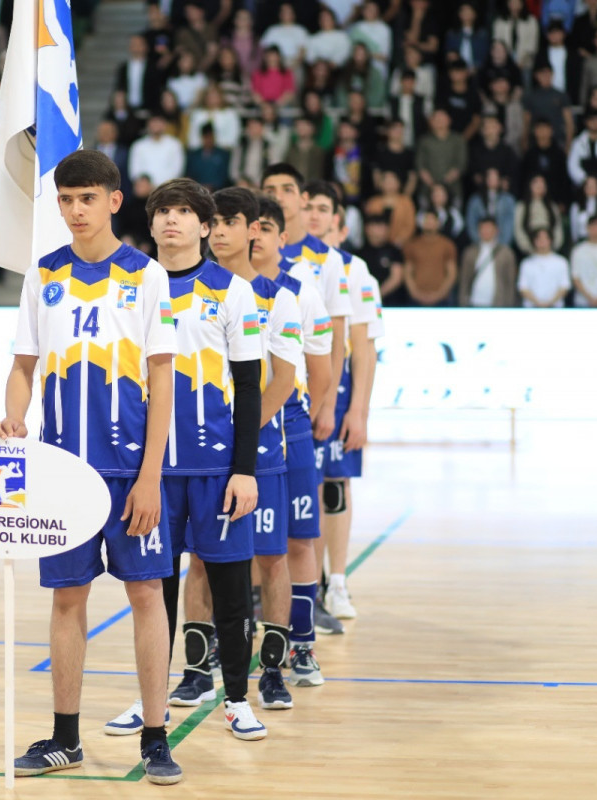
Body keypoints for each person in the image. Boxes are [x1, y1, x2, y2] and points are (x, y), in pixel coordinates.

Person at [0, 150, 182, 785]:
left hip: (130, 472)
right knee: (67, 598)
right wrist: (14, 419)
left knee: (147, 593)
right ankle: (65, 737)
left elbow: (163, 378)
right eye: (67, 200)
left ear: (114, 201)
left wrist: (153, 474)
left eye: (88, 199)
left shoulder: (147, 276)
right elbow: (23, 367)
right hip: (60, 471)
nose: (76, 211)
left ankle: (156, 736)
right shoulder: (42, 275)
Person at [105, 180, 266, 736]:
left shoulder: (232, 292)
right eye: (163, 212)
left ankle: (238, 699)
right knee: (153, 591)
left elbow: (249, 387)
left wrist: (244, 469)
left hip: (214, 469)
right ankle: (150, 701)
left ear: (205, 226)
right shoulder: (126, 286)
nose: (172, 220)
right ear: (149, 225)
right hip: (147, 471)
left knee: (228, 588)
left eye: (185, 212)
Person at [260, 163, 352, 637]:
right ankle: (264, 601)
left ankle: (314, 596)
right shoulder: (243, 258)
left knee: (308, 501)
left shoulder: (321, 262)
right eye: (269, 189)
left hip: (301, 400)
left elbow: (335, 338)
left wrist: (329, 401)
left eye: (287, 190)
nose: (279, 195)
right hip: (252, 410)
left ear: (299, 200)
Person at [250, 193, 332, 687]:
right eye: (248, 226)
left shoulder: (301, 291)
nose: (254, 235)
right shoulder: (220, 288)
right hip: (232, 428)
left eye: (264, 227)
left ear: (283, 237)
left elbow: (319, 373)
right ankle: (221, 644)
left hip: (288, 425)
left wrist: (299, 415)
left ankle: (300, 646)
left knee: (298, 539)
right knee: (233, 545)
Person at [303, 186, 382, 622]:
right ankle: (303, 586)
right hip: (298, 386)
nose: (313, 215)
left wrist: (359, 410)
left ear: (337, 220)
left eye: (322, 209)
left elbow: (365, 346)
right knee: (301, 489)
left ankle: (337, 581)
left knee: (334, 486)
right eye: (307, 207)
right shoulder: (288, 264)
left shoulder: (355, 270)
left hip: (340, 388)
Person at [458, 216, 518, 307]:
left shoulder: (506, 253)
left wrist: (509, 304)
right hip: (473, 302)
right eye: (482, 228)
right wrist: (463, 301)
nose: (485, 231)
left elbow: (510, 282)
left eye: (489, 228)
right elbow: (464, 279)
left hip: (498, 303)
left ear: (496, 230)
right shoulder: (470, 252)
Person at [403, 211, 459, 306]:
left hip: (442, 300)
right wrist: (415, 293)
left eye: (432, 220)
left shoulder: (447, 245)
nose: (429, 222)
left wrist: (439, 294)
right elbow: (407, 272)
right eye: (426, 219)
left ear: (438, 223)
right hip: (416, 300)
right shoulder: (412, 245)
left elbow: (452, 273)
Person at [517, 227, 571, 308]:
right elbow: (523, 287)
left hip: (555, 309)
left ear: (551, 240)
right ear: (534, 241)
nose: (542, 241)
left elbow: (565, 286)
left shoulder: (561, 262)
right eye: (538, 238)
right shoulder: (526, 263)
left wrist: (550, 303)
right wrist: (538, 303)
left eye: (545, 238)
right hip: (532, 309)